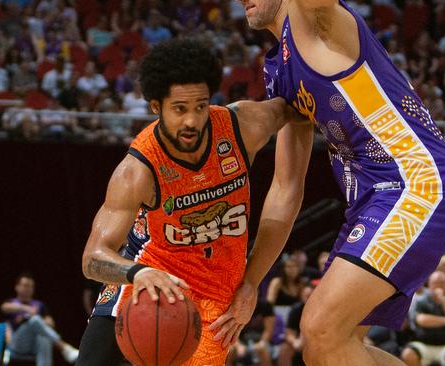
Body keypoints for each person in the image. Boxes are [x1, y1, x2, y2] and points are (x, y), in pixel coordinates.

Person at [211, 1, 445, 365]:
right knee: (328, 347)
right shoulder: (280, 70)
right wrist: (252, 282)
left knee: (320, 327)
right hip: (371, 201)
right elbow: (286, 188)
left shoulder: (317, 18)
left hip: (416, 181)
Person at [76, 37, 312, 366]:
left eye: (200, 106)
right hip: (151, 284)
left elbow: (298, 111)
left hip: (218, 296)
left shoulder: (240, 126)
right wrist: (137, 273)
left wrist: (252, 283)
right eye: (180, 109)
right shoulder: (137, 171)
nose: (192, 120)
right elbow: (93, 258)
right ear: (157, 107)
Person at [1, 273, 79, 366]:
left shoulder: (39, 305)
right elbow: (4, 307)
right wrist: (26, 309)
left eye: (30, 286)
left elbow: (51, 324)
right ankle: (63, 347)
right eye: (25, 285)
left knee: (43, 335)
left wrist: (38, 320)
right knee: (35, 320)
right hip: (17, 344)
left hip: (35, 344)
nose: (28, 289)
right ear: (17, 287)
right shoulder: (11, 302)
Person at [401, 271, 445, 366]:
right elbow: (421, 320)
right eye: (435, 283)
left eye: (442, 283)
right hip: (424, 344)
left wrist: (443, 300)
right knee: (408, 354)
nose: (439, 286)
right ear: (429, 285)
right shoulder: (422, 301)